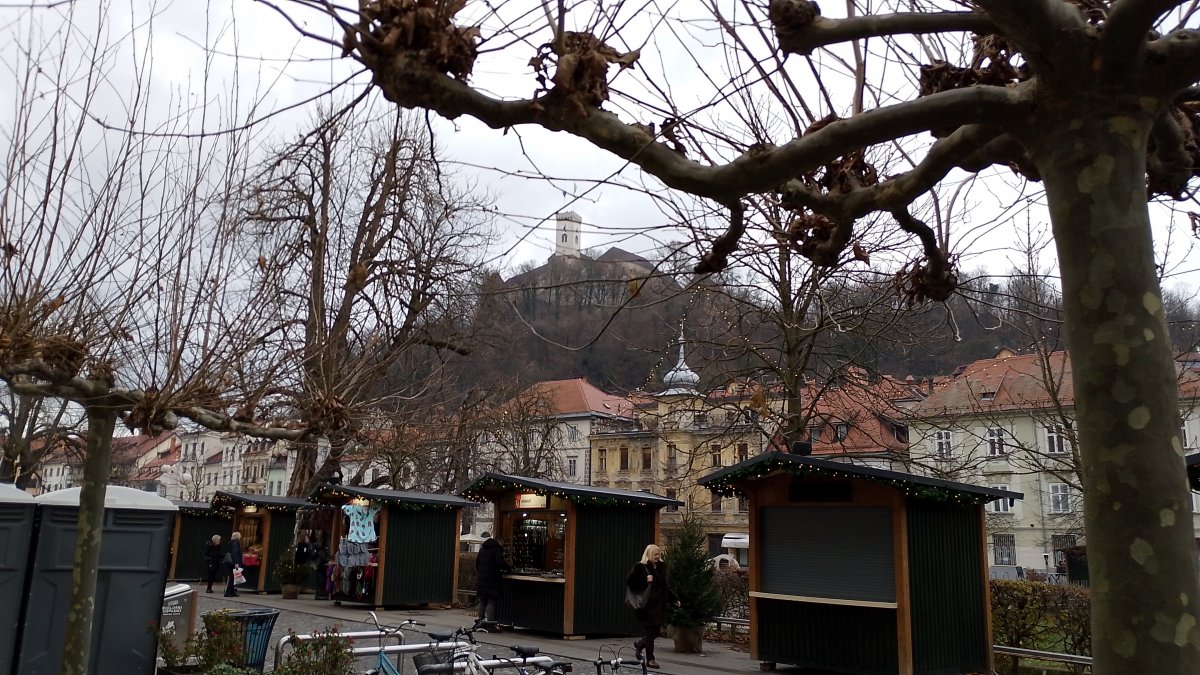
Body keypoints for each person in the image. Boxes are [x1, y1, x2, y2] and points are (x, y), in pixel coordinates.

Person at [626, 544, 679, 669]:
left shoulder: (661, 568)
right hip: (647, 606)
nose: (657, 557)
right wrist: (645, 580)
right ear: (649, 554)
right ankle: (650, 659)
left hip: (659, 606)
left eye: (658, 554)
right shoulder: (641, 567)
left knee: (655, 632)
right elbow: (631, 583)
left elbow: (665, 587)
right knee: (651, 632)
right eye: (655, 554)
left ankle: (640, 645)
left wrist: (674, 599)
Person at [474, 531, 511, 630]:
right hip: (492, 579)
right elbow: (500, 563)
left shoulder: (483, 549)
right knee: (491, 601)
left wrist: (480, 574)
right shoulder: (496, 549)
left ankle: (480, 622)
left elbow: (477, 563)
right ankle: (490, 624)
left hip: (482, 579)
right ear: (499, 543)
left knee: (483, 600)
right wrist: (508, 568)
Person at [224, 531, 243, 597]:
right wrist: (236, 563)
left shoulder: (231, 543)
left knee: (234, 578)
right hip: (234, 563)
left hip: (231, 563)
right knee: (233, 578)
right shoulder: (235, 543)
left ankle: (231, 591)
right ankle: (228, 592)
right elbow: (234, 554)